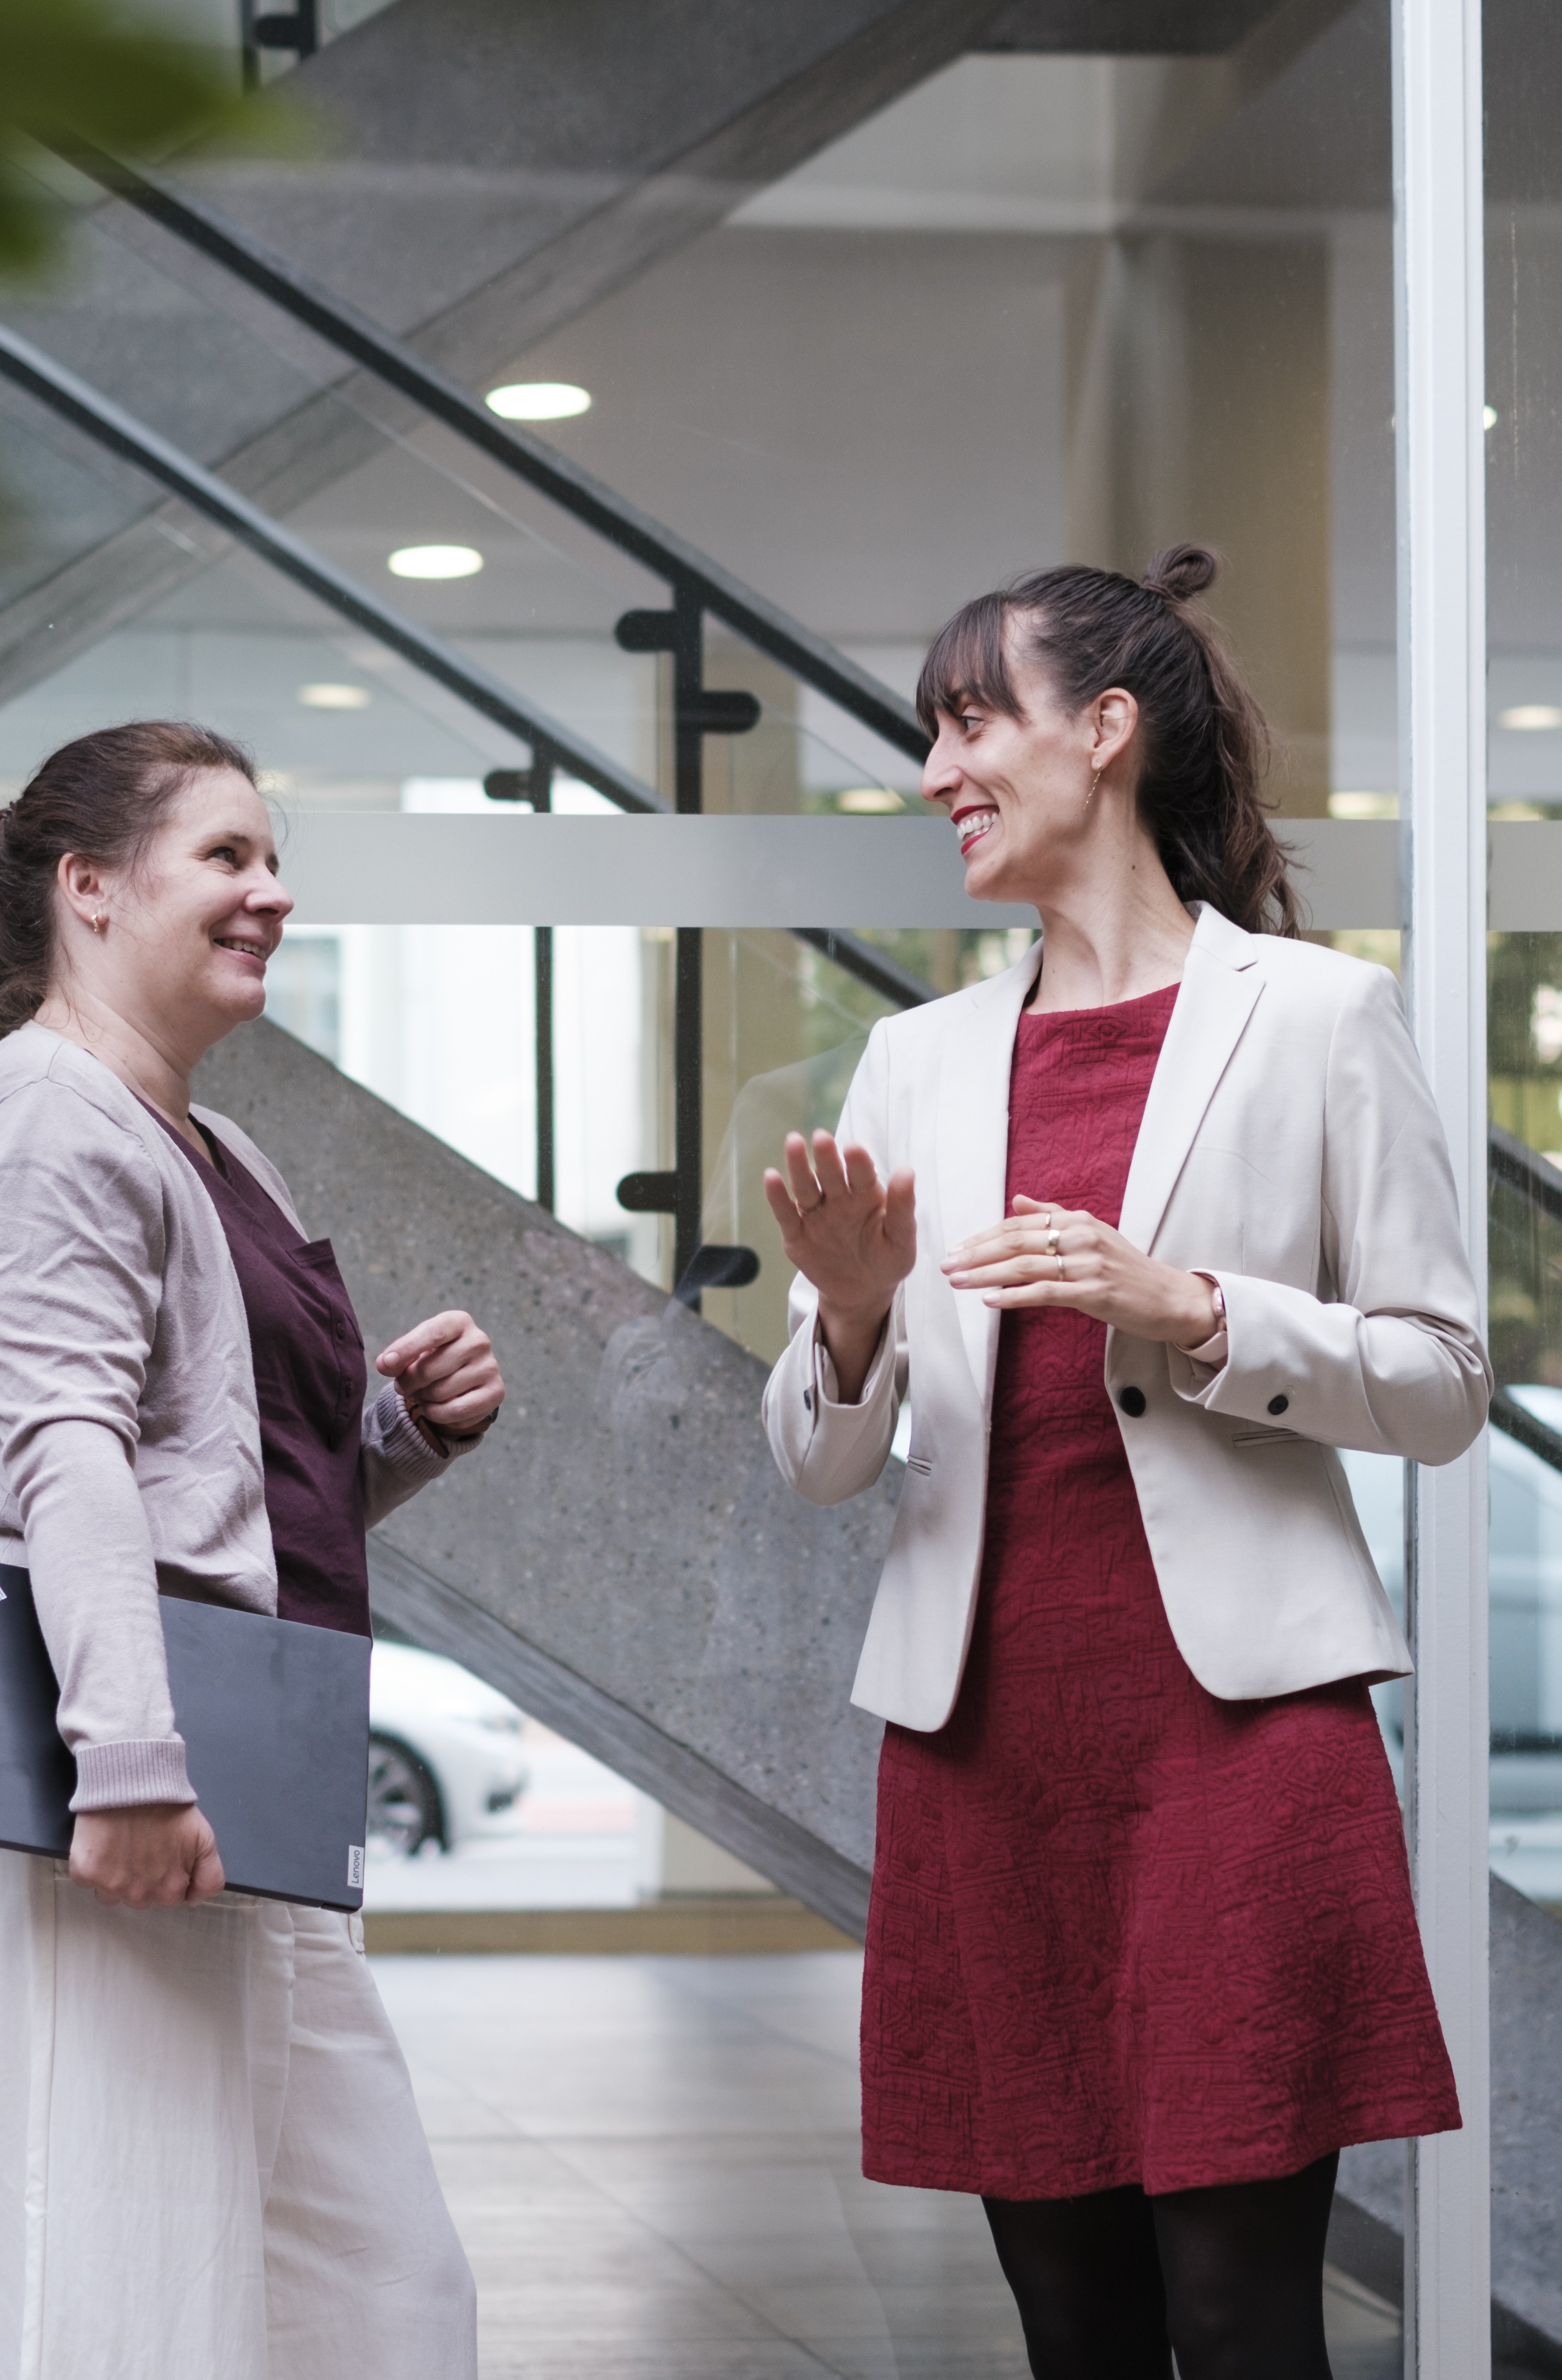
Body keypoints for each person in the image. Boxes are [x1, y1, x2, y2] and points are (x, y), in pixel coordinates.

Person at [760, 548, 1487, 2380]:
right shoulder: (911, 1062)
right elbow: (824, 1461)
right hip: (990, 1747)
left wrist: (1189, 1304)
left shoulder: (1318, 1017)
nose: (936, 770)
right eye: (931, 734)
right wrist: (845, 1323)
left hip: (1238, 1736)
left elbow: (1444, 1378)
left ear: (1108, 729)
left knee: (1244, 2318)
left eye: (971, 719)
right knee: (1072, 2325)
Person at [0, 721, 501, 2380]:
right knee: (127, 2293)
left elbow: (231, 1503)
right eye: (227, 857)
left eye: (272, 860)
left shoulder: (205, 1144)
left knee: (379, 2300)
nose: (272, 894)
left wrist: (397, 1438)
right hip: (97, 1770)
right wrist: (129, 1765)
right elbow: (64, 1457)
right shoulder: (45, 1126)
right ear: (88, 889)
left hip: (227, 1762)